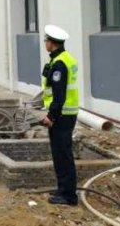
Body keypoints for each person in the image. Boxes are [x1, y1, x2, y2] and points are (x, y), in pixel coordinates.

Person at [41, 24, 80, 206]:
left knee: (63, 154)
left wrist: (51, 116)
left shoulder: (59, 64)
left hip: (62, 116)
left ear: (52, 43)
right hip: (66, 114)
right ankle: (63, 189)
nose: (45, 43)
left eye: (46, 40)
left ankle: (68, 196)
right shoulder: (63, 58)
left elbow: (59, 95)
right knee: (60, 154)